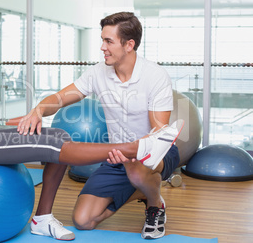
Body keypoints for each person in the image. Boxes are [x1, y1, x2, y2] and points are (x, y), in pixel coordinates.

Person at [0, 2, 182, 241]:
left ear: (128, 44)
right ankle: (135, 148)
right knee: (53, 149)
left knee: (57, 134)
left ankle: (42, 218)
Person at [17, 12, 183, 239]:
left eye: (109, 41)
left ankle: (155, 204)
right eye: (102, 40)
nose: (102, 47)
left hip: (154, 154)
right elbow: (60, 98)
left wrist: (134, 152)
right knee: (84, 220)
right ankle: (141, 192)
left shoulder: (155, 76)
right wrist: (38, 110)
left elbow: (159, 130)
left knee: (136, 169)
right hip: (116, 156)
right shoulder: (98, 72)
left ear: (129, 45)